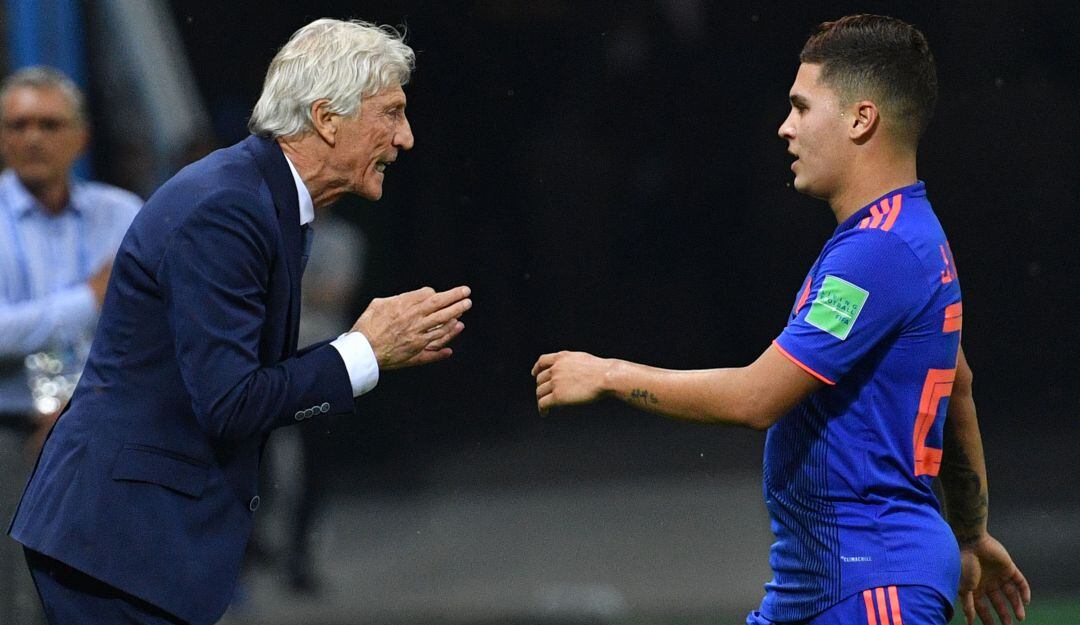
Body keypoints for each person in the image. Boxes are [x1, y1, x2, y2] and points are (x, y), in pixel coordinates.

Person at [532, 14, 1028, 625]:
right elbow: (958, 384)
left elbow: (756, 398)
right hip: (824, 587)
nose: (784, 127)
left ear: (860, 118)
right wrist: (972, 534)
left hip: (870, 586)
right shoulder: (904, 236)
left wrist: (607, 373)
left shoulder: (880, 252)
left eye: (801, 106)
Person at [8, 19, 471, 625]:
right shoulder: (227, 208)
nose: (405, 138)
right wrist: (361, 353)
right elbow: (229, 401)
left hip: (138, 541)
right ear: (327, 118)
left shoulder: (267, 198)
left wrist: (360, 353)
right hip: (117, 543)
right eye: (391, 113)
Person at [0, 66, 142, 625]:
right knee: (18, 598)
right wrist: (88, 298)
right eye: (18, 124)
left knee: (111, 591)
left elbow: (148, 332)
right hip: (10, 435)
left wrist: (75, 405)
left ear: (81, 137)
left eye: (50, 123)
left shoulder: (123, 214)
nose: (33, 137)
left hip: (103, 424)